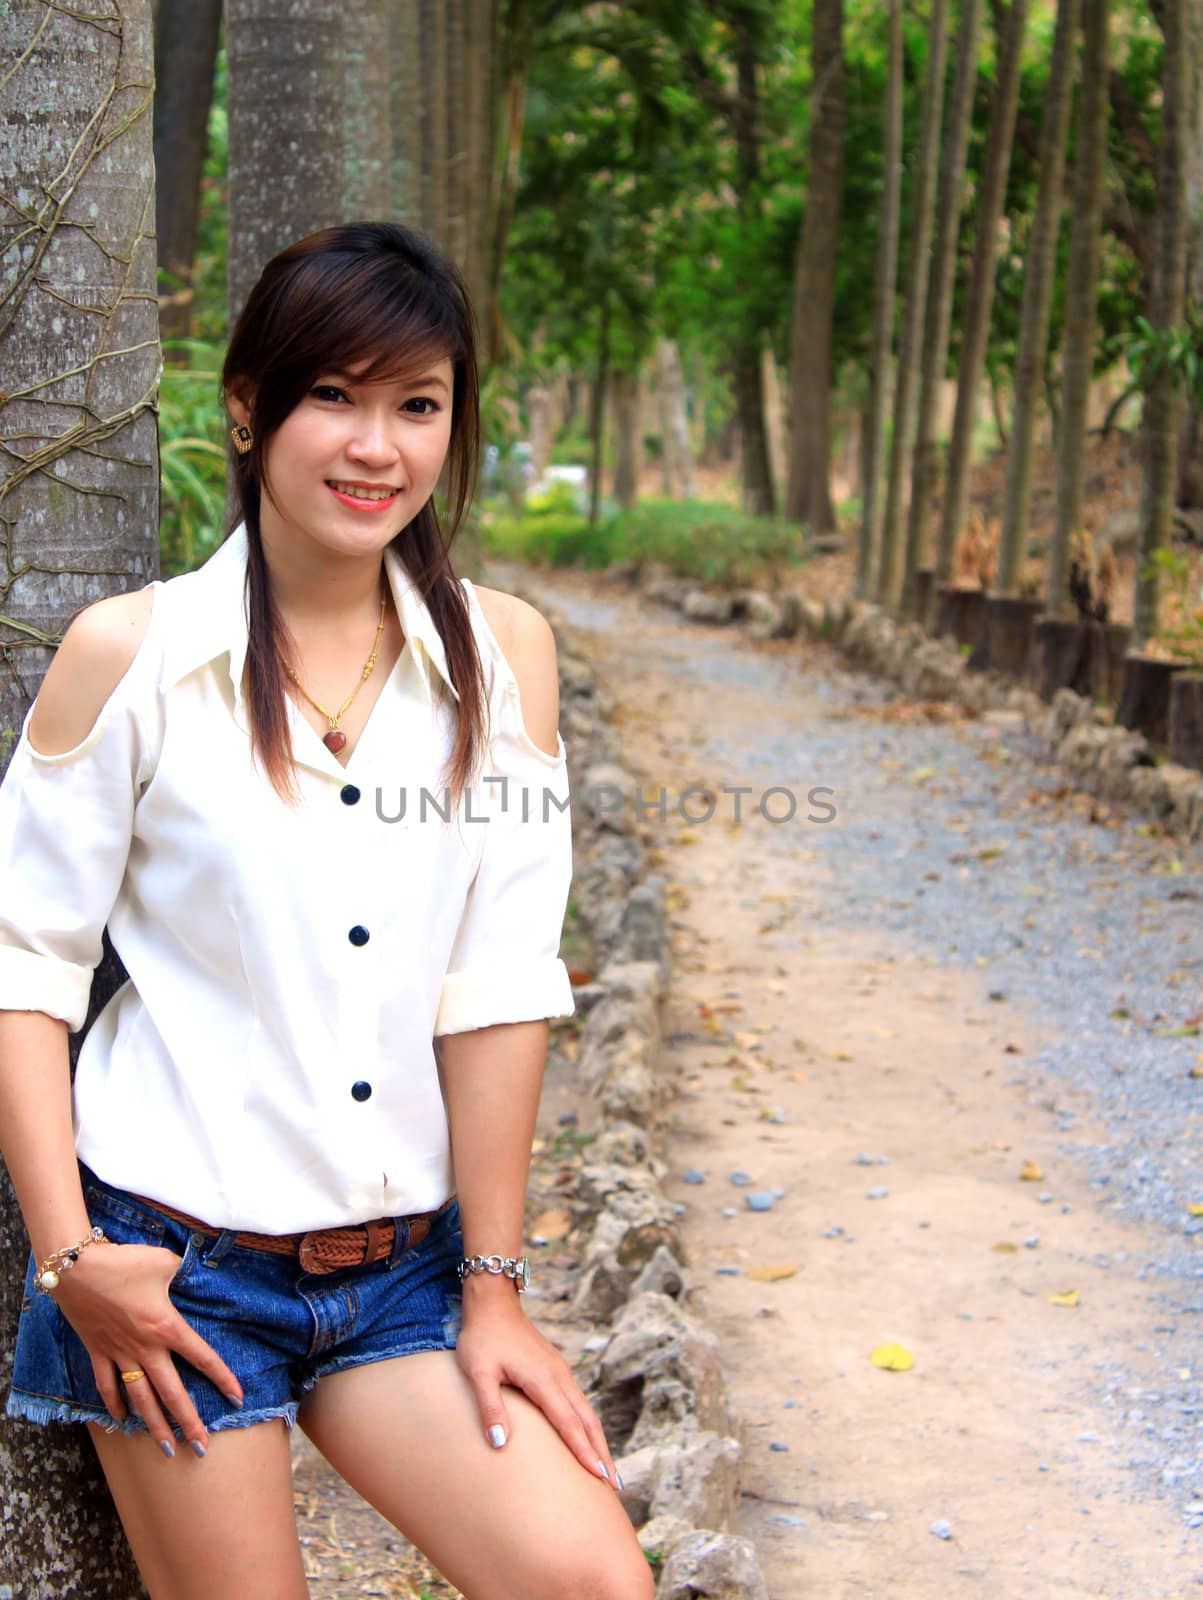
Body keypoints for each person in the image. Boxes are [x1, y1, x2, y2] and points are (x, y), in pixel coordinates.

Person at [0, 222, 654, 1600]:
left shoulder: (504, 659)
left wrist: (494, 1287)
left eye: (417, 405)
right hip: (179, 1274)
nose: (377, 448)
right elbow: (27, 976)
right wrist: (72, 1258)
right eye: (334, 397)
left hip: (405, 1280)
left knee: (590, 1580)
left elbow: (498, 990)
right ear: (249, 407)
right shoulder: (136, 658)